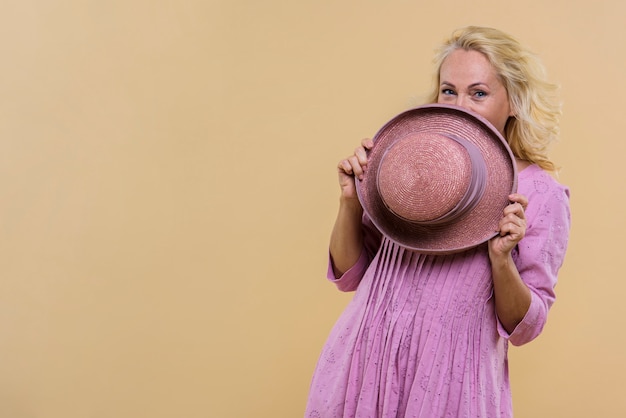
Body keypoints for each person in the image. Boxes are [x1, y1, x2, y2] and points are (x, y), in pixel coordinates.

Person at [305, 26, 571, 418]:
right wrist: (350, 201)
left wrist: (500, 258)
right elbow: (349, 274)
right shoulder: (406, 162)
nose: (460, 105)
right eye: (449, 90)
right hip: (362, 362)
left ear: (514, 101)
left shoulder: (541, 194)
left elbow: (525, 327)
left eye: (478, 93)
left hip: (450, 380)